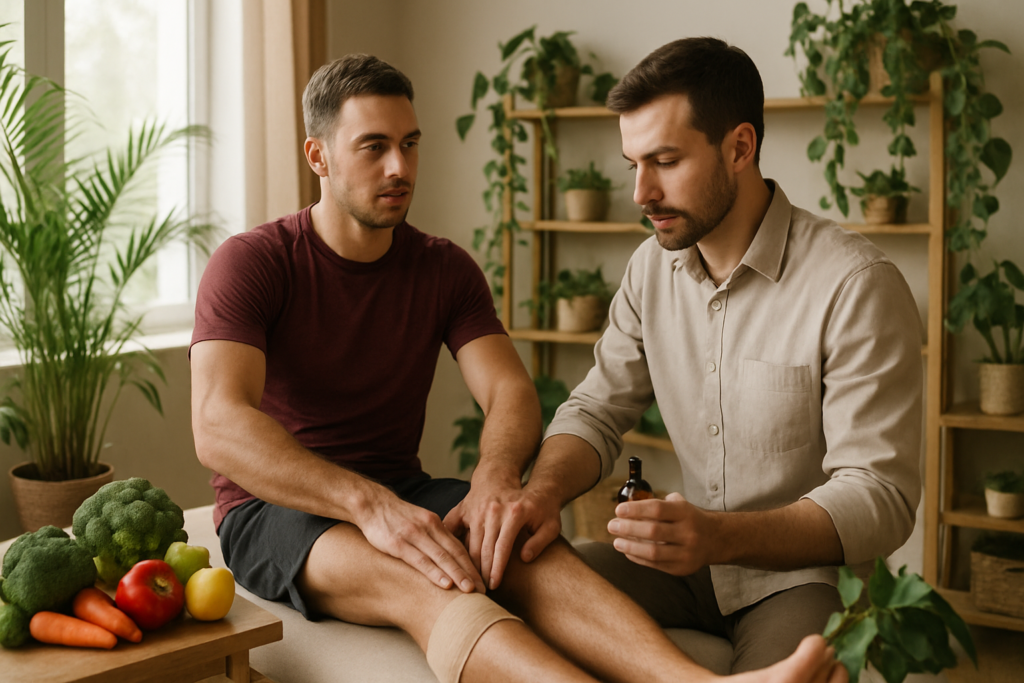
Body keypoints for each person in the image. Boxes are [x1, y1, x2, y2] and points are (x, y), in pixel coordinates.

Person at [190, 53, 846, 683]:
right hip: (276, 511)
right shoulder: (254, 263)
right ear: (318, 156)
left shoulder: (442, 268)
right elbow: (219, 423)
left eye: (411, 143)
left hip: (405, 492)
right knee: (432, 580)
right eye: (374, 146)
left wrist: (496, 480)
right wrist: (368, 505)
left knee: (524, 549)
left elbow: (508, 389)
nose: (400, 166)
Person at [472, 36, 923, 675]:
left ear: (740, 147)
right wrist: (540, 492)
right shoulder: (650, 269)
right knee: (507, 572)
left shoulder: (855, 284)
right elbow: (597, 408)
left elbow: (880, 495)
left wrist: (718, 536)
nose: (640, 192)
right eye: (633, 163)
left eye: (665, 161)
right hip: (684, 573)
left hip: (803, 579)